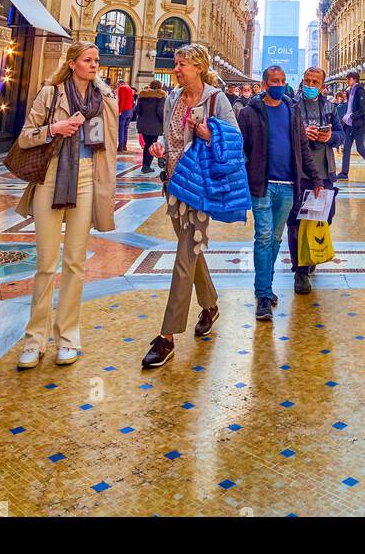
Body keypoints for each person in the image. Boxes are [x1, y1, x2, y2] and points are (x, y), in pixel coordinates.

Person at [15, 41, 117, 370]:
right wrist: (53, 129)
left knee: (75, 263)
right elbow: (25, 136)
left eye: (97, 60)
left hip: (86, 178)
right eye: (88, 60)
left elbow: (105, 145)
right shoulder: (51, 93)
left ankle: (68, 338)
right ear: (72, 63)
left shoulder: (101, 99)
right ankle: (35, 340)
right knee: (46, 263)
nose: (94, 65)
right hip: (51, 177)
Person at [141, 45, 234, 369]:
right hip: (174, 184)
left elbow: (234, 140)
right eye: (176, 64)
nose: (176, 69)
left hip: (201, 187)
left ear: (198, 67)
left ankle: (167, 337)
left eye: (181, 64)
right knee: (191, 251)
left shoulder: (215, 100)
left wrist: (210, 134)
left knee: (183, 257)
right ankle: (210, 305)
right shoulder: (173, 98)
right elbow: (170, 137)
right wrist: (159, 146)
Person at [240, 65, 325, 320]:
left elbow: (301, 146)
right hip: (263, 186)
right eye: (274, 81)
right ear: (264, 85)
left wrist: (315, 176)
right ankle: (264, 294)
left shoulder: (291, 110)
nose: (279, 84)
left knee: (276, 239)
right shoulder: (249, 114)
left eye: (283, 80)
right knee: (263, 237)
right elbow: (241, 151)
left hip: (288, 186)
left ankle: (265, 286)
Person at [288, 65, 341, 295]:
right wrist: (301, 134)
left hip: (324, 171)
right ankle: (300, 271)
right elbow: (282, 135)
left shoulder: (329, 107)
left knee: (325, 217)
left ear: (322, 85)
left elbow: (340, 134)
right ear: (302, 81)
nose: (310, 85)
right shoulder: (291, 106)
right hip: (299, 173)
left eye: (315, 82)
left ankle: (311, 256)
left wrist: (330, 137)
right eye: (307, 81)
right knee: (296, 222)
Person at [339, 69, 365, 182]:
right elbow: (350, 107)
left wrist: (352, 116)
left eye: (349, 79)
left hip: (358, 125)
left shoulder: (360, 91)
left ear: (355, 79)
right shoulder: (350, 91)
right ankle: (344, 173)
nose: (347, 81)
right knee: (346, 149)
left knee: (361, 149)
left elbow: (363, 109)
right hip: (349, 125)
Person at [135, 79, 167, 174]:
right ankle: (146, 166)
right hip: (155, 125)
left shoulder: (142, 96)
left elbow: (137, 110)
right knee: (150, 145)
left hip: (143, 125)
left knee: (147, 145)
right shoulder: (160, 97)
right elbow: (160, 111)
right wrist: (164, 122)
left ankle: (145, 165)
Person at [116, 78, 136, 153]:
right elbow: (131, 100)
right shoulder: (129, 88)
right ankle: (124, 145)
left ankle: (120, 146)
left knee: (121, 129)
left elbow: (122, 100)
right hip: (129, 111)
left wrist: (119, 110)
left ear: (119, 83)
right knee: (125, 129)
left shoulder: (122, 88)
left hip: (123, 110)